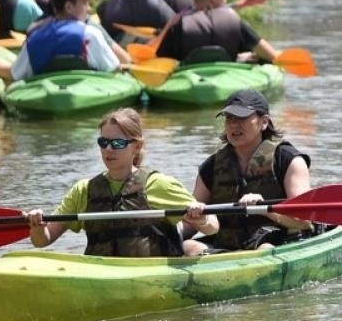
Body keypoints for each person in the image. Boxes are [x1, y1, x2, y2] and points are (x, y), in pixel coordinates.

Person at [27, 108, 216, 257]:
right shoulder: (83, 190)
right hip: (103, 274)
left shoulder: (158, 184)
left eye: (117, 143)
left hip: (151, 274)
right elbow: (42, 241)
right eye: (103, 143)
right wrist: (38, 226)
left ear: (137, 146)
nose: (108, 149)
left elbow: (213, 225)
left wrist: (201, 217)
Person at [189, 91, 313, 252]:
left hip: (277, 241)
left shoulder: (289, 160)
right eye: (229, 118)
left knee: (265, 248)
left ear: (264, 122)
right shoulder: (211, 166)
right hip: (228, 245)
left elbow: (303, 219)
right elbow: (189, 225)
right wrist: (193, 216)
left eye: (242, 118)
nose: (234, 125)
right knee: (189, 246)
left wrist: (266, 209)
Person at [5, 0, 126, 80]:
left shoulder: (33, 40)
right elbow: (114, 70)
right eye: (84, 3)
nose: (88, 9)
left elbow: (15, 75)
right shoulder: (90, 34)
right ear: (69, 7)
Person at [153, 0, 277, 64]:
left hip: (190, 83)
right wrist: (251, 57)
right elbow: (271, 55)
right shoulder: (233, 21)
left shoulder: (179, 23)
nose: (225, 1)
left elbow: (161, 61)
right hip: (228, 79)